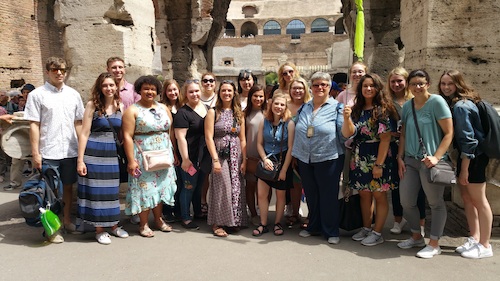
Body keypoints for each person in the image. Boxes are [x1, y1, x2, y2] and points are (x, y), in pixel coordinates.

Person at [24, 56, 85, 243]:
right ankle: (51, 228)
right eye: (54, 69)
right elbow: (34, 125)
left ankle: (66, 220)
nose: (59, 73)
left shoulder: (73, 94)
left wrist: (82, 150)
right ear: (47, 71)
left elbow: (78, 124)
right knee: (49, 191)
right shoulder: (37, 95)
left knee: (68, 187)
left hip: (70, 150)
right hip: (48, 150)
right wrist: (36, 153)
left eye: (62, 70)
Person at [397, 69, 453, 258]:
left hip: (431, 162)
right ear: (409, 86)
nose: (417, 87)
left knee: (435, 203)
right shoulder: (407, 106)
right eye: (413, 84)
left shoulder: (437, 102)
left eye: (421, 83)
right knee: (406, 201)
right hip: (411, 160)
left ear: (428, 84)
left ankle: (434, 243)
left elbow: (448, 133)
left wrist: (436, 157)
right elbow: (403, 133)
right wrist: (400, 157)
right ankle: (416, 236)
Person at [439, 70, 493, 259]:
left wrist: (464, 169)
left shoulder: (461, 106)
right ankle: (475, 237)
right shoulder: (456, 104)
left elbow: (469, 141)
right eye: (443, 84)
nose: (446, 87)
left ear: (458, 84)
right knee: (468, 199)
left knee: (479, 200)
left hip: (473, 158)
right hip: (467, 157)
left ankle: (485, 245)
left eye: (450, 84)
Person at [342, 73, 399, 246]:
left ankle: (377, 232)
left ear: (378, 88)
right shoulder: (357, 109)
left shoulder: (383, 109)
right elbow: (348, 133)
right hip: (359, 156)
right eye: (365, 86)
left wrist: (379, 165)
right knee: (363, 195)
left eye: (372, 86)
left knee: (379, 195)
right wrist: (346, 118)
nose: (368, 89)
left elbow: (386, 139)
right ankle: (366, 228)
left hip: (377, 156)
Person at [292, 72, 345, 245]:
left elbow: (344, 134)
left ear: (329, 87)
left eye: (324, 85)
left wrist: (349, 120)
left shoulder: (337, 107)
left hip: (328, 156)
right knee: (311, 194)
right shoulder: (305, 107)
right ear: (311, 88)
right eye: (316, 85)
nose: (320, 88)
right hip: (305, 157)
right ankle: (313, 226)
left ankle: (331, 230)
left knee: (328, 195)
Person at [76, 72, 129, 244]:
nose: (108, 88)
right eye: (105, 85)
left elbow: (124, 132)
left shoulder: (120, 105)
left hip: (112, 154)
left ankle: (113, 226)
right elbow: (84, 133)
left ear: (116, 86)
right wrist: (80, 159)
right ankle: (99, 229)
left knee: (111, 192)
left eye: (111, 85)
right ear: (100, 87)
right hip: (94, 152)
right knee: (97, 192)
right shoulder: (92, 105)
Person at [122, 75, 177, 237]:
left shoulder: (163, 108)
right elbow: (127, 136)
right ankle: (144, 224)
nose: (149, 91)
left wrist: (173, 153)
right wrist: (131, 161)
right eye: (146, 88)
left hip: (163, 155)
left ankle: (158, 220)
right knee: (144, 189)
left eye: (152, 89)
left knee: (159, 188)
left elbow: (170, 131)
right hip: (142, 156)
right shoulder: (132, 110)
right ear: (139, 90)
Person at [386, 67, 426, 236]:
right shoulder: (387, 102)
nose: (396, 84)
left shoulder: (416, 100)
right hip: (394, 146)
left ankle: (421, 223)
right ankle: (398, 219)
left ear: (406, 82)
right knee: (396, 184)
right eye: (393, 81)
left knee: (419, 188)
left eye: (400, 81)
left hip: (415, 147)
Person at [205, 80, 247, 237]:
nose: (226, 93)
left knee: (236, 187)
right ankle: (217, 222)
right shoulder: (213, 112)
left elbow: (243, 139)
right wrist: (215, 159)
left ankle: (233, 221)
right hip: (220, 153)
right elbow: (208, 137)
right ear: (219, 92)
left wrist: (245, 159)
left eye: (229, 90)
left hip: (236, 154)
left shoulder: (239, 113)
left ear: (234, 92)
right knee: (221, 186)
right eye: (223, 90)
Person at [252, 93, 295, 237]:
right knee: (262, 195)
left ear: (285, 107)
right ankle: (263, 223)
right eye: (276, 104)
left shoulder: (289, 123)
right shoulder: (264, 121)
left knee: (280, 195)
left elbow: (290, 148)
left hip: (282, 161)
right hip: (267, 160)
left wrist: (284, 170)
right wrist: (264, 159)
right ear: (271, 105)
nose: (279, 107)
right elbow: (259, 143)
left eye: (282, 105)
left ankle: (277, 223)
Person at [174, 79, 208, 230]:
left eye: (196, 91)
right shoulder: (183, 113)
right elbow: (180, 137)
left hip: (203, 157)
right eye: (191, 92)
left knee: (199, 186)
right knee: (188, 186)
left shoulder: (206, 108)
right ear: (185, 94)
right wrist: (185, 159)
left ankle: (198, 212)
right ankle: (186, 217)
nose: (194, 94)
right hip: (190, 157)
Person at [287, 77, 311, 228]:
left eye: (300, 88)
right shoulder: (285, 106)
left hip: (305, 150)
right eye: (294, 88)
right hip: (286, 150)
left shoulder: (309, 106)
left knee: (307, 184)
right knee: (294, 185)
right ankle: (294, 213)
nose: (297, 91)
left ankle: (310, 215)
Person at [244, 84, 267, 226]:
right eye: (255, 96)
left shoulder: (269, 112)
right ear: (250, 97)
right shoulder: (245, 113)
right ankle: (253, 213)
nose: (258, 99)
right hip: (251, 154)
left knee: (266, 185)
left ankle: (262, 211)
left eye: (261, 96)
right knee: (250, 185)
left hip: (266, 154)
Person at [161, 79, 182, 222]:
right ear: (165, 92)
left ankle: (179, 209)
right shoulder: (162, 107)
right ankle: (167, 210)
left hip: (183, 147)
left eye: (175, 89)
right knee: (168, 180)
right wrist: (173, 151)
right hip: (169, 146)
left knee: (181, 181)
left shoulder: (183, 107)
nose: (173, 92)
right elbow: (169, 132)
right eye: (169, 90)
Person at [199, 72, 218, 217]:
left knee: (219, 175)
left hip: (218, 139)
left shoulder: (219, 98)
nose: (208, 83)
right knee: (205, 174)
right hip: (202, 140)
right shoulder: (197, 98)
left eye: (211, 81)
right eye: (205, 81)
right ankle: (203, 201)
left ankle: (217, 203)